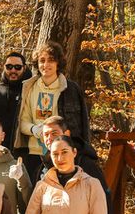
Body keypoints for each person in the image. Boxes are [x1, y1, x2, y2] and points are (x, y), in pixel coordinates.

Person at [14, 41, 90, 174]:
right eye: (42, 60)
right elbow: (21, 123)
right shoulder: (28, 88)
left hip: (61, 154)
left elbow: (82, 125)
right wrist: (35, 129)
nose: (46, 65)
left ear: (58, 63)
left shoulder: (70, 89)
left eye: (51, 60)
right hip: (34, 154)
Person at [0, 52, 31, 151]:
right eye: (9, 67)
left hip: (26, 150)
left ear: (24, 68)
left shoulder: (31, 91)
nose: (13, 70)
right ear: (4, 67)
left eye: (17, 67)